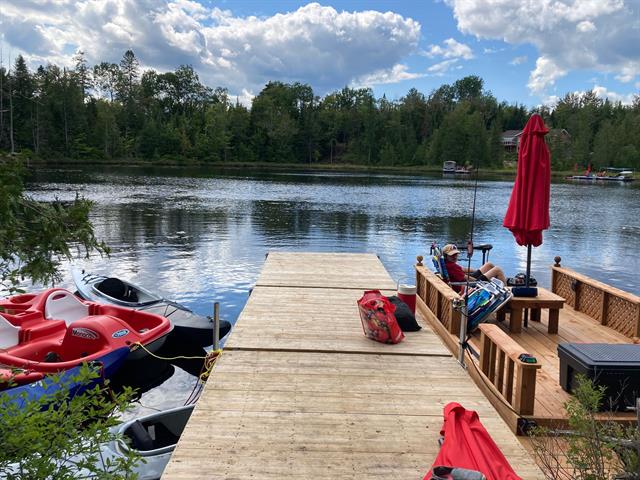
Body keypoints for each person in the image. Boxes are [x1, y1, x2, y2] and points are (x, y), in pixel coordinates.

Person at [441, 244, 506, 293]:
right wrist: (481, 282)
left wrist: (478, 271)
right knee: (497, 270)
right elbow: (467, 278)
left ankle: (500, 283)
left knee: (489, 265)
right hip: (470, 285)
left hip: (467, 281)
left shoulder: (448, 263)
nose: (455, 257)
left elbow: (463, 269)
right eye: (452, 255)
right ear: (446, 256)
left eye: (456, 254)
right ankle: (505, 291)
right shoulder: (451, 266)